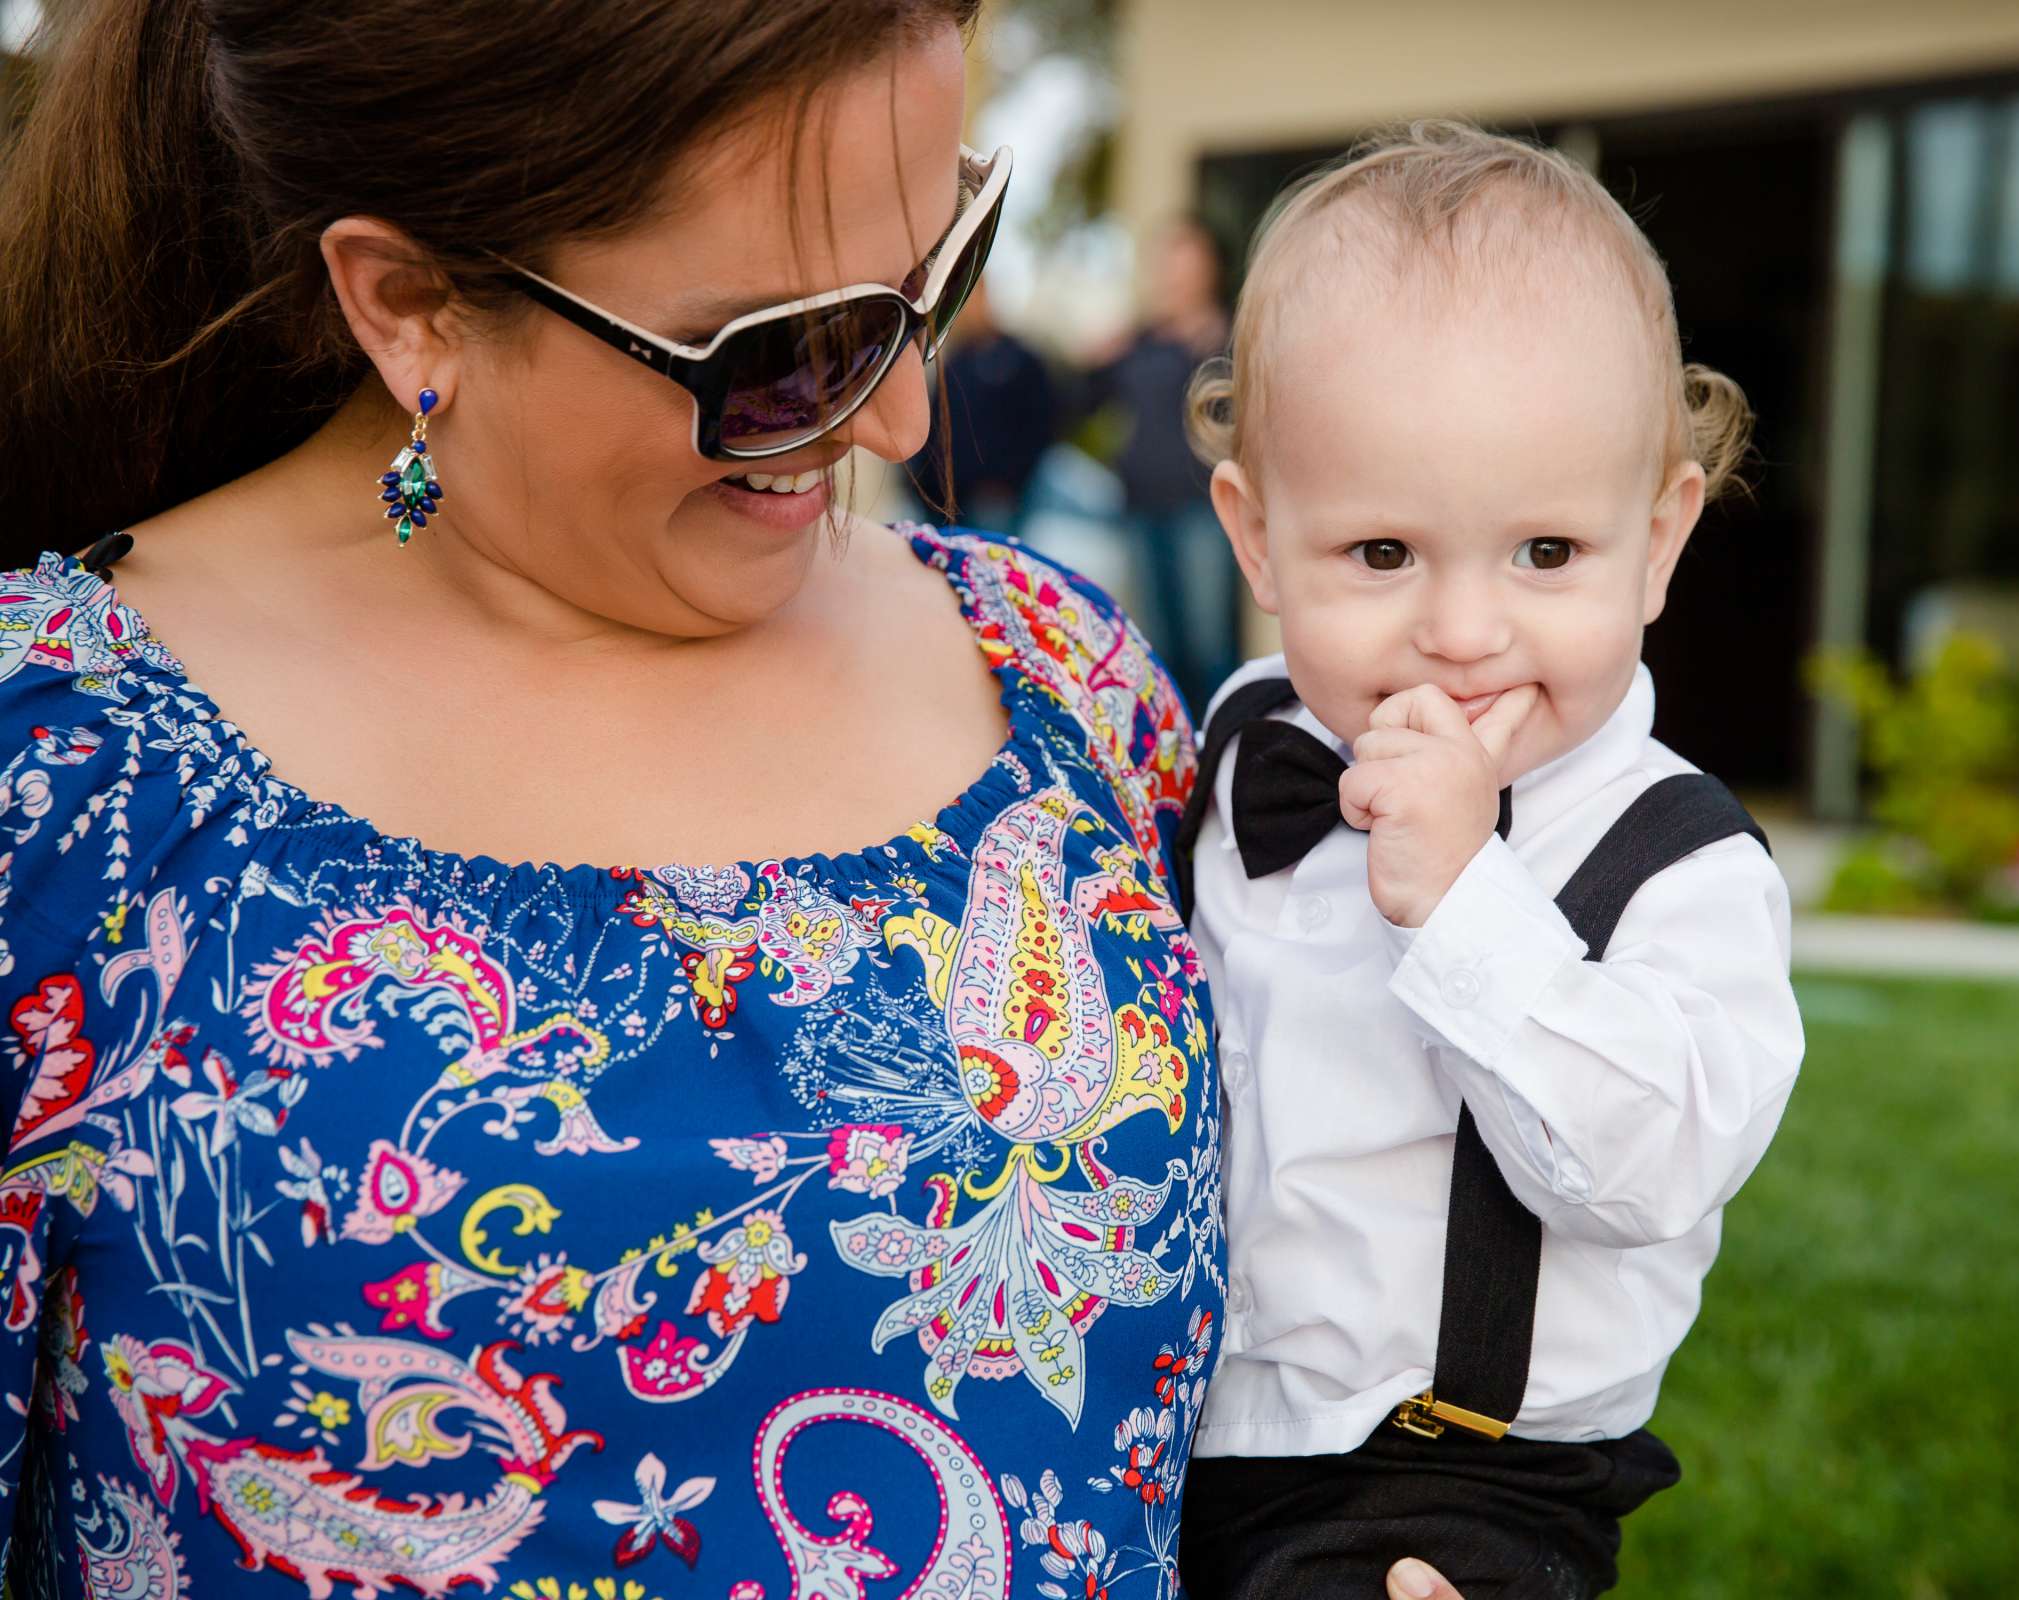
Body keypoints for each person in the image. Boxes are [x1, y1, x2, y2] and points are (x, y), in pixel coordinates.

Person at [0, 3, 1240, 1593]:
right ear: (410, 304)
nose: (899, 421)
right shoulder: (63, 779)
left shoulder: (1067, 678)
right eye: (785, 351)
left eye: (936, 272)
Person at [1172, 121, 1808, 1597]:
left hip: (1457, 1483)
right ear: (1258, 541)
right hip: (1181, 1432)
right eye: (1382, 554)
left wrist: (1468, 905)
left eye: (1545, 555)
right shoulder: (1240, 737)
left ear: (1657, 544)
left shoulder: (1680, 862)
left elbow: (1651, 1167)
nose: (1463, 633)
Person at [1078, 216, 1240, 702]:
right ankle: (1182, 760)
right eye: (1163, 262)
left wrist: (1216, 341)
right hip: (1140, 508)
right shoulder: (1138, 343)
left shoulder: (1228, 340)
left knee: (1208, 644)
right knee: (1161, 648)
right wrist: (1096, 359)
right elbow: (1080, 405)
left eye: (1182, 261)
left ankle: (1224, 750)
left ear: (1207, 269)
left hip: (1203, 509)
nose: (1170, 274)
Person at [906, 280, 1059, 536]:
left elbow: (1042, 426)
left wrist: (1007, 481)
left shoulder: (1020, 361)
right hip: (944, 503)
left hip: (995, 502)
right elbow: (934, 428)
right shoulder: (956, 361)